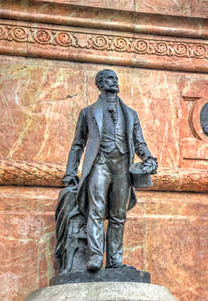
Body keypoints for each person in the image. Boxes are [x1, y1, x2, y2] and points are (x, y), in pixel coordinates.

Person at [63, 69, 157, 271]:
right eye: (109, 78)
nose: (114, 81)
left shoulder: (131, 114)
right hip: (100, 164)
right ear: (100, 84)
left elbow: (139, 142)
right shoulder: (88, 112)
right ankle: (96, 256)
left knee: (118, 214)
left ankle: (114, 260)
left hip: (122, 167)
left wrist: (149, 159)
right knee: (95, 210)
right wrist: (70, 172)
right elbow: (77, 144)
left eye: (115, 78)